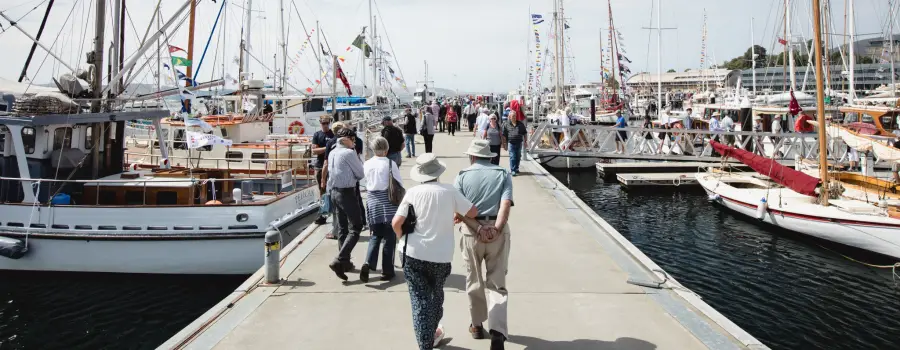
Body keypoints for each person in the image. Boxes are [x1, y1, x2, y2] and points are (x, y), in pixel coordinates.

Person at [392, 154, 478, 350]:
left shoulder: (413, 192)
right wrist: (456, 212)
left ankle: (426, 342)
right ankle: (431, 332)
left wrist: (401, 238)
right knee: (436, 293)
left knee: (419, 298)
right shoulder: (450, 191)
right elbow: (473, 212)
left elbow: (396, 223)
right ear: (438, 172)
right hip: (441, 255)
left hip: (413, 253)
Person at [454, 139, 514, 350]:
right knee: (497, 282)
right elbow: (505, 204)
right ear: (489, 156)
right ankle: (497, 331)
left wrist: (478, 229)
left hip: (471, 232)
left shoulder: (461, 176)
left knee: (474, 279)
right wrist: (496, 229)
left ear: (472, 156)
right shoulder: (503, 174)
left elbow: (459, 210)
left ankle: (477, 324)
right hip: (497, 230)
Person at [361, 136, 402, 282]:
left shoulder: (367, 164)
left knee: (375, 235)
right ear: (386, 149)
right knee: (389, 238)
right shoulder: (390, 163)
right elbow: (399, 183)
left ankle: (368, 262)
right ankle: (387, 271)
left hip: (372, 201)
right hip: (388, 201)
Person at [326, 128, 365, 280]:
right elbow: (360, 174)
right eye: (353, 139)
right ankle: (340, 259)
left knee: (342, 228)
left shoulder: (332, 152)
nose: (354, 142)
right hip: (347, 192)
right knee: (356, 226)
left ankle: (345, 263)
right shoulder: (349, 153)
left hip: (334, 192)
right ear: (346, 139)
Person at [311, 116, 335, 225]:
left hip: (333, 166)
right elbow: (314, 151)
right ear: (320, 123)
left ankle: (335, 214)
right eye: (323, 123)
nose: (325, 125)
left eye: (327, 123)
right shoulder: (317, 135)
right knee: (322, 191)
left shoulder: (333, 134)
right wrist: (327, 147)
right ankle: (323, 215)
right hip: (320, 166)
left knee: (334, 191)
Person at [502, 111, 527, 176]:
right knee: (512, 157)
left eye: (515, 116)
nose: (514, 117)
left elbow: (525, 133)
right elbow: (504, 135)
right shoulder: (506, 124)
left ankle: (516, 168)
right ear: (510, 117)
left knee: (518, 157)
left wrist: (525, 141)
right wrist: (504, 144)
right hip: (511, 143)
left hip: (519, 143)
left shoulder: (520, 124)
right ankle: (513, 170)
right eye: (513, 116)